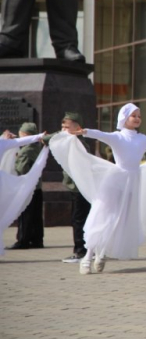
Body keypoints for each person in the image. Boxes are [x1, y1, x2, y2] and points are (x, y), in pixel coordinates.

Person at [49, 103, 146, 274]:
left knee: (119, 220)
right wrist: (85, 132)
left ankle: (101, 253)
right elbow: (101, 135)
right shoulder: (118, 137)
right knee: (103, 216)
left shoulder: (142, 139)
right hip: (115, 181)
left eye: (139, 116)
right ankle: (88, 256)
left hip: (133, 183)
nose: (137, 118)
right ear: (124, 118)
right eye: (133, 115)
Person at [43, 112, 92, 262]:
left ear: (77, 128)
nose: (63, 130)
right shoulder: (73, 140)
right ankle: (85, 250)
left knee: (79, 219)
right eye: (62, 126)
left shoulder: (76, 142)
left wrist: (45, 137)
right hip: (78, 186)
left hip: (80, 188)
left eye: (67, 127)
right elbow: (47, 139)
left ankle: (81, 251)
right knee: (80, 219)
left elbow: (47, 139)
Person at [1, 128, 48, 256]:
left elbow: (19, 143)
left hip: (10, 184)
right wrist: (39, 136)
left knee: (26, 214)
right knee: (35, 215)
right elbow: (19, 141)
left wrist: (38, 136)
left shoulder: (5, 144)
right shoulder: (3, 142)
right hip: (29, 185)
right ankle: (36, 240)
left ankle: (23, 240)